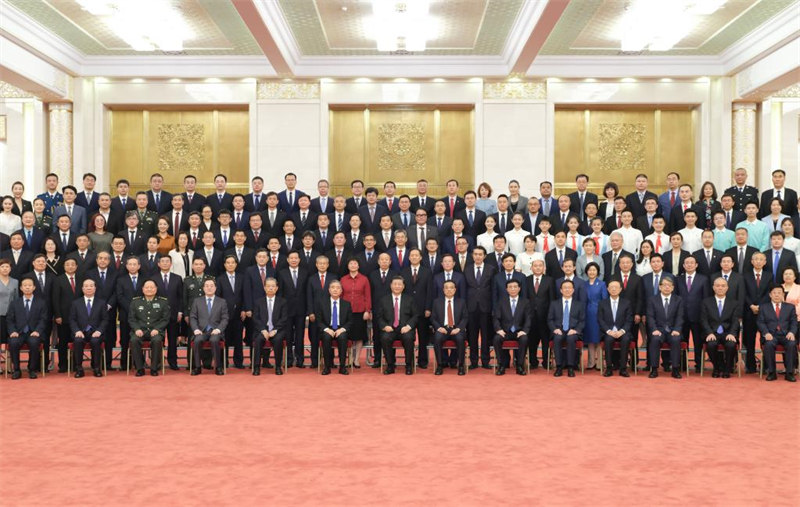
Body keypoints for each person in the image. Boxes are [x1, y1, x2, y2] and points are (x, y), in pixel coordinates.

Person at [6, 277, 49, 379]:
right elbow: (9, 319)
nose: (27, 287)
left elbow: (43, 319)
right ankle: (16, 370)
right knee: (13, 342)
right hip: (19, 332)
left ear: (34, 287)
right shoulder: (15, 303)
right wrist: (12, 331)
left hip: (34, 332)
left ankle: (32, 369)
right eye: (25, 285)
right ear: (21, 288)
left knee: (34, 342)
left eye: (30, 285)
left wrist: (37, 331)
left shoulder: (41, 302)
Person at [376, 276, 417, 375]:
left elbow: (415, 315)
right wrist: (385, 326)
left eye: (399, 284)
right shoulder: (383, 300)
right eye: (395, 284)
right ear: (390, 286)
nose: (397, 286)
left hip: (405, 328)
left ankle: (408, 365)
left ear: (403, 286)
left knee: (408, 338)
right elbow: (379, 317)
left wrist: (408, 326)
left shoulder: (410, 299)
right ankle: (390, 365)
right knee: (385, 338)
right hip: (390, 328)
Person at [701, 277, 742, 378]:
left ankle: (727, 369)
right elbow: (703, 320)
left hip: (727, 332)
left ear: (727, 288)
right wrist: (709, 333)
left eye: (723, 286)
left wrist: (732, 333)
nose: (720, 288)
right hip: (712, 332)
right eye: (717, 286)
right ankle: (717, 367)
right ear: (713, 288)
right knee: (711, 344)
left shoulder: (734, 303)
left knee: (731, 345)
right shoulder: (706, 302)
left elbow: (735, 321)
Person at [128, 280, 170, 377]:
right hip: (140, 331)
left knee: (157, 340)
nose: (149, 289)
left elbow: (165, 319)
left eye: (152, 287)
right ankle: (139, 368)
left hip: (156, 331)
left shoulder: (163, 302)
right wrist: (137, 329)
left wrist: (157, 329)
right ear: (143, 289)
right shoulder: (135, 302)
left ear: (156, 289)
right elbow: (131, 319)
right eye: (147, 287)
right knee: (134, 340)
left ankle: (154, 368)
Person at [68, 279, 108, 378]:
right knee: (77, 341)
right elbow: (72, 319)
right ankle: (79, 368)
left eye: (91, 286)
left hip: (96, 332)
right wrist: (77, 330)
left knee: (95, 341)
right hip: (80, 332)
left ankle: (96, 367)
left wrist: (99, 331)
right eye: (86, 286)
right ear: (82, 288)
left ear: (95, 288)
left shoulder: (102, 303)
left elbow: (105, 319)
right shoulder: (75, 303)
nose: (89, 288)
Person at [646, 277, 684, 379]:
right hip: (658, 329)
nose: (667, 287)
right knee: (654, 340)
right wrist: (654, 329)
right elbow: (650, 316)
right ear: (660, 287)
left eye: (669, 285)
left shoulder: (678, 300)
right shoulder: (652, 300)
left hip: (673, 330)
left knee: (676, 340)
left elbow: (680, 316)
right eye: (664, 285)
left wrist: (677, 329)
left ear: (672, 288)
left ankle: (675, 369)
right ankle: (654, 369)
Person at [757, 285, 797, 382]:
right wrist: (766, 333)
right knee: (769, 344)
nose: (777, 295)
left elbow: (794, 322)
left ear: (783, 294)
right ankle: (771, 372)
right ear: (770, 295)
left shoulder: (790, 307)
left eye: (779, 293)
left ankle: (789, 372)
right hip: (771, 335)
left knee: (792, 344)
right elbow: (760, 322)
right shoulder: (763, 307)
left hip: (785, 335)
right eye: (774, 293)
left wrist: (792, 332)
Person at [189, 278, 228, 376]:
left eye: (211, 286)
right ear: (203, 288)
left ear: (215, 288)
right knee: (197, 340)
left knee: (214, 340)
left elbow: (225, 318)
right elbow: (192, 317)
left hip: (216, 331)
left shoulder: (222, 302)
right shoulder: (197, 301)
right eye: (207, 286)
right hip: (201, 331)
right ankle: (197, 367)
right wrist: (196, 329)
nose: (209, 288)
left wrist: (219, 329)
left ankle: (218, 367)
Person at [491, 279, 530, 376]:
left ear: (519, 288)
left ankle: (520, 365)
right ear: (506, 289)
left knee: (524, 339)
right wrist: (498, 329)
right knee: (496, 339)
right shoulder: (501, 302)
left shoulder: (525, 302)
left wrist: (524, 331)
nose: (513, 289)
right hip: (505, 331)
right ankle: (501, 365)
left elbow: (528, 318)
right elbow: (496, 318)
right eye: (510, 287)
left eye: (515, 287)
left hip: (519, 331)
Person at [742, 252, 771, 374]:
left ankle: (765, 366)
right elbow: (743, 293)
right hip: (749, 311)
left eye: (761, 259)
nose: (758, 261)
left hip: (764, 312)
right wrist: (751, 305)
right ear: (752, 261)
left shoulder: (769, 275)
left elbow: (769, 293)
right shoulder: (745, 275)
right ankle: (750, 366)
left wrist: (760, 306)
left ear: (765, 262)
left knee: (765, 339)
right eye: (756, 259)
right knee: (750, 340)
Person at [548, 279, 585, 377]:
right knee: (557, 338)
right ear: (561, 290)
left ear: (573, 290)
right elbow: (550, 319)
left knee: (571, 338)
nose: (567, 290)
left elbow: (582, 321)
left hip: (573, 331)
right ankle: (559, 367)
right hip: (559, 330)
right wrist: (555, 329)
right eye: (565, 288)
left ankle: (570, 367)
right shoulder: (554, 303)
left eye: (569, 288)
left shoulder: (579, 304)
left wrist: (576, 330)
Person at [598, 279, 634, 377]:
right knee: (608, 340)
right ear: (607, 289)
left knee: (626, 339)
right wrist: (609, 331)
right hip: (608, 332)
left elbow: (629, 320)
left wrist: (622, 331)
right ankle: (609, 368)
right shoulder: (602, 303)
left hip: (622, 331)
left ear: (620, 289)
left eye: (616, 287)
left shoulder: (626, 303)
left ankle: (623, 368)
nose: (613, 289)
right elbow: (600, 320)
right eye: (611, 287)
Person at [252, 277, 288, 375]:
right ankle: (256, 367)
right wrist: (263, 330)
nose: (270, 288)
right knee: (258, 340)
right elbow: (255, 318)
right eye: (268, 286)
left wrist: (275, 330)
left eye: (273, 286)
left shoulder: (282, 302)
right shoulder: (258, 301)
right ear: (264, 288)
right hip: (262, 329)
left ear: (277, 288)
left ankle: (277, 366)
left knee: (278, 340)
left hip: (277, 330)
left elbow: (284, 318)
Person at [314, 280, 351, 375]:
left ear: (341, 291)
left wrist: (342, 329)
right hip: (327, 328)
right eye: (333, 287)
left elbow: (350, 321)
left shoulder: (346, 304)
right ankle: (327, 367)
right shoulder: (322, 303)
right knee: (326, 337)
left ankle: (342, 367)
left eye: (338, 288)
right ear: (329, 290)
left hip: (340, 328)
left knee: (343, 337)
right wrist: (327, 329)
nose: (335, 290)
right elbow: (319, 320)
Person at [431, 280, 467, 375]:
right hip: (443, 328)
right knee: (437, 338)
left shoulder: (461, 302)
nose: (449, 290)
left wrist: (458, 328)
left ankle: (461, 366)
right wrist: (439, 328)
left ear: (455, 290)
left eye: (451, 287)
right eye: (446, 288)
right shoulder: (437, 302)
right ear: (443, 290)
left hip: (456, 328)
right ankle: (439, 365)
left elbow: (465, 317)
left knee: (460, 338)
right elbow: (433, 318)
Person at [340, 258, 370, 367]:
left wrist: (367, 310)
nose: (353, 265)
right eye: (351, 263)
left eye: (355, 263)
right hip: (346, 312)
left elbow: (367, 296)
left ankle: (356, 359)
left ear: (358, 266)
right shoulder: (343, 279)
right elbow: (340, 295)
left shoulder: (364, 279)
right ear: (348, 266)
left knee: (359, 336)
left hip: (360, 311)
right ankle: (349, 358)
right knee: (347, 336)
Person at [583, 262, 608, 370]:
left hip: (598, 312)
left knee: (598, 338)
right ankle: (590, 362)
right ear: (586, 272)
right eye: (589, 270)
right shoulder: (583, 284)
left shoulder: (602, 284)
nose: (592, 272)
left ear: (597, 272)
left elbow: (605, 299)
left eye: (594, 270)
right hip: (586, 313)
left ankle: (600, 363)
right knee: (589, 338)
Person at [0, 259, 19, 347]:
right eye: (2, 267)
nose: (5, 269)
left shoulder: (15, 281)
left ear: (10, 269)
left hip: (10, 314)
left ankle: (9, 359)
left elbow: (16, 298)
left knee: (10, 339)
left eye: (7, 267)